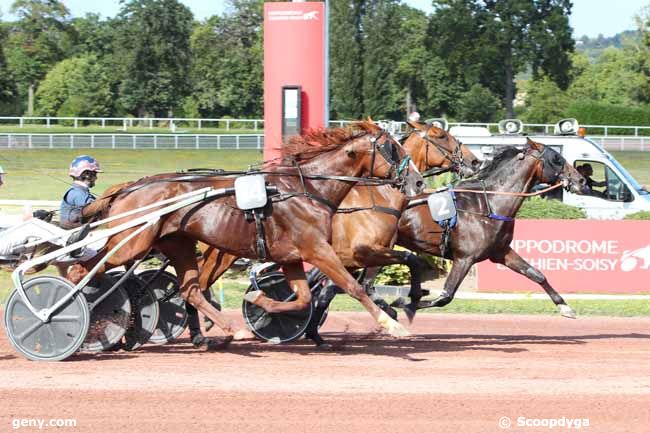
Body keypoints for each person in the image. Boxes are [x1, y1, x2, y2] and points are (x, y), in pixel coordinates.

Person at [60, 155, 102, 229]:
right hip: (72, 233)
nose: (96, 178)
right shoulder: (77, 193)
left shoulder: (80, 191)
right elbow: (96, 207)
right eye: (95, 174)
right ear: (87, 175)